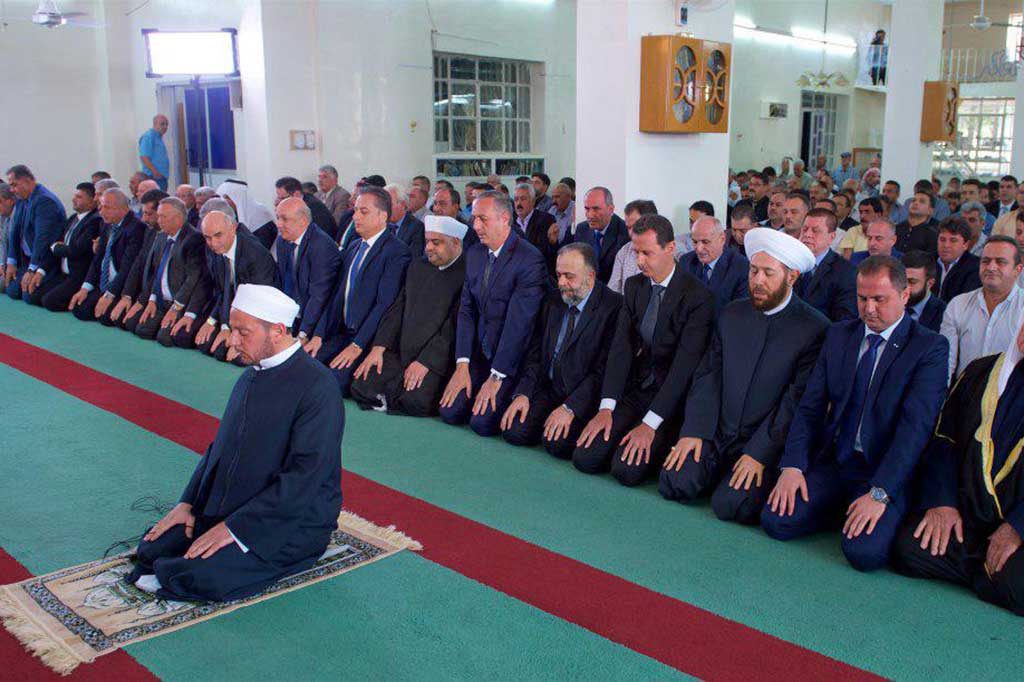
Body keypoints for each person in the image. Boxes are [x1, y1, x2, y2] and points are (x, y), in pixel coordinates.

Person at [126, 284, 343, 602]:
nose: (233, 341)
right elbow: (221, 448)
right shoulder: (250, 375)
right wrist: (188, 504)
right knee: (152, 549)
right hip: (239, 503)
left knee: (194, 576)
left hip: (293, 520)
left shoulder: (319, 388)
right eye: (233, 330)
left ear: (277, 331)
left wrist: (236, 529)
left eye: (244, 333)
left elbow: (304, 478)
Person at [762, 256, 949, 570]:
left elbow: (914, 431)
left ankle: (870, 512)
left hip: (885, 469)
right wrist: (793, 466)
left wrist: (881, 493)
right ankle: (841, 509)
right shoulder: (839, 334)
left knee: (864, 554)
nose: (869, 309)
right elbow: (810, 407)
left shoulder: (929, 348)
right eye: (862, 299)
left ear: (904, 295)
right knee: (776, 520)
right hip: (839, 459)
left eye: (879, 299)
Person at [659, 228, 829, 523]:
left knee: (731, 506)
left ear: (791, 277)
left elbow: (794, 402)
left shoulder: (814, 328)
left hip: (762, 441)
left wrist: (760, 453)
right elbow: (708, 376)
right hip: (717, 432)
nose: (758, 281)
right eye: (753, 271)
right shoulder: (732, 313)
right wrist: (695, 431)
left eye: (768, 273)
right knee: (675, 482)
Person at [892, 317, 1024, 615]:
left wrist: (1017, 528)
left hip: (1016, 527)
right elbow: (944, 441)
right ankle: (987, 569)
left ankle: (986, 566)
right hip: (966, 517)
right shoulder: (981, 372)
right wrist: (943, 503)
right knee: (907, 548)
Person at [572, 214, 715, 486]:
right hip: (637, 389)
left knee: (626, 471)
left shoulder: (698, 297)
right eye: (636, 252)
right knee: (586, 457)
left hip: (671, 399)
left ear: (670, 248)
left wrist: (650, 424)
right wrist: (606, 408)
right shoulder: (634, 286)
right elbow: (621, 349)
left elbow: (683, 369)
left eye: (647, 253)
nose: (639, 261)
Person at [439, 190, 547, 436]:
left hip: (512, 360)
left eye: (483, 219)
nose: (475, 226)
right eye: (474, 218)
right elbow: (466, 310)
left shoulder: (529, 259)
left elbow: (519, 326)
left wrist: (497, 376)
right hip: (480, 355)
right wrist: (462, 364)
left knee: (482, 423)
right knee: (450, 412)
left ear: (505, 219)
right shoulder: (475, 253)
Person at [501, 243, 622, 458]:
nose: (562, 283)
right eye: (558, 275)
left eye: (569, 276)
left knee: (556, 444)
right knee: (514, 431)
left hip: (582, 396)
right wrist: (524, 392)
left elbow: (603, 371)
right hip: (549, 388)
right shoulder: (553, 299)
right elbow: (536, 352)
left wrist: (571, 407)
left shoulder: (613, 307)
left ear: (590, 276)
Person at [350, 215, 467, 416]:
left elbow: (454, 327)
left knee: (415, 401)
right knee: (361, 385)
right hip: (401, 349)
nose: (428, 248)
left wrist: (426, 361)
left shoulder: (467, 273)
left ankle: (390, 397)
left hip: (435, 356)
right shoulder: (418, 266)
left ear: (455, 242)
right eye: (427, 241)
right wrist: (379, 347)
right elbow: (397, 309)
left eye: (436, 243)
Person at [308, 186, 411, 397]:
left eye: (363, 212)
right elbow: (337, 296)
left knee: (332, 383)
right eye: (355, 210)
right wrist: (318, 334)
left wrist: (357, 345)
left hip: (367, 339)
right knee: (305, 367)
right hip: (341, 333)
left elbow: (384, 305)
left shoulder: (396, 252)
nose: (355, 216)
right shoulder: (354, 246)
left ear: (383, 216)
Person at [194, 210, 277, 363]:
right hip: (234, 310)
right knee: (204, 344)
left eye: (218, 235)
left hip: (259, 316)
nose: (213, 243)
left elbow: (258, 301)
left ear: (233, 228)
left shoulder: (255, 255)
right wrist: (213, 322)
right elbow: (222, 290)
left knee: (231, 356)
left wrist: (236, 334)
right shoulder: (213, 248)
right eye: (207, 237)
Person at [128, 197, 210, 347]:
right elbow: (157, 271)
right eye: (158, 216)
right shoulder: (161, 236)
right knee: (136, 326)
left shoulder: (194, 239)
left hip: (180, 303)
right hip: (161, 300)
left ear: (178, 218)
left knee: (165, 338)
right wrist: (152, 299)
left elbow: (193, 279)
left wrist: (176, 307)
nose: (158, 220)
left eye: (163, 217)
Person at [941, 237, 1024, 381]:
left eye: (1000, 262)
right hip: (964, 392)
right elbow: (946, 364)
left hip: (1010, 393)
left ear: (1018, 269)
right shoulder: (958, 305)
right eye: (985, 261)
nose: (991, 267)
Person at [69, 189, 147, 323]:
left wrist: (110, 294)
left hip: (123, 286)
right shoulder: (106, 224)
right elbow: (98, 259)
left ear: (123, 209)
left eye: (107, 208)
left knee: (106, 317)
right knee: (80, 308)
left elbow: (127, 268)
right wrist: (85, 288)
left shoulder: (136, 228)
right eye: (101, 207)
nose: (102, 212)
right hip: (105, 282)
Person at [273, 197, 341, 343]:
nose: (279, 224)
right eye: (277, 218)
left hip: (317, 324)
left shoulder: (321, 245)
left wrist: (304, 333)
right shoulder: (282, 241)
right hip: (291, 316)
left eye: (284, 219)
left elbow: (319, 295)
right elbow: (282, 282)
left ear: (303, 221)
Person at [32, 183, 103, 311]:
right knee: (34, 296)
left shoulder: (94, 221)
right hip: (62, 274)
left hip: (77, 277)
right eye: (75, 196)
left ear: (92, 201)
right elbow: (55, 242)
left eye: (79, 197)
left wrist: (56, 248)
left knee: (50, 302)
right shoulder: (73, 219)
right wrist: (41, 271)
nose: (73, 199)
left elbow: (76, 250)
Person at [4, 165, 65, 301]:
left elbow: (42, 239)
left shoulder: (45, 201)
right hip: (28, 259)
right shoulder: (22, 199)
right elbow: (15, 230)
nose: (12, 190)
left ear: (27, 181)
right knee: (12, 289)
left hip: (46, 261)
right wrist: (11, 261)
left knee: (29, 295)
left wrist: (33, 269)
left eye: (14, 185)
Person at [110, 189, 167, 330]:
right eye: (143, 213)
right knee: (116, 318)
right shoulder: (150, 231)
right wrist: (127, 296)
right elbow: (138, 264)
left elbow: (158, 274)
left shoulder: (169, 237)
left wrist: (141, 301)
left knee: (137, 326)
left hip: (160, 296)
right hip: (144, 290)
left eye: (149, 214)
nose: (144, 219)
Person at [795, 207, 857, 321]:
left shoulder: (846, 272)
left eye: (815, 231)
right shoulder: (790, 262)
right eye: (805, 229)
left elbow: (844, 320)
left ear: (831, 237)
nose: (807, 234)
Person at [679, 216, 749, 310]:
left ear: (722, 239)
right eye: (695, 242)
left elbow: (739, 312)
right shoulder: (686, 261)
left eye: (705, 242)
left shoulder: (741, 267)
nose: (699, 249)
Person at [565, 187, 630, 284]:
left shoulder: (625, 232)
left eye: (596, 209)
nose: (590, 215)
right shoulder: (582, 228)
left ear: (611, 209)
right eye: (587, 209)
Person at [607, 199, 658, 294]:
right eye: (628, 227)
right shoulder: (624, 251)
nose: (631, 233)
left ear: (652, 222)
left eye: (636, 226)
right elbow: (612, 291)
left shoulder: (668, 251)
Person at [275, 176, 339, 243]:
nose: (277, 201)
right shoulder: (302, 199)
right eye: (278, 197)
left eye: (282, 198)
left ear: (296, 194)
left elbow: (313, 236)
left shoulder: (313, 207)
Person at [217, 179, 277, 250]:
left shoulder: (260, 214)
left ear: (239, 198)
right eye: (221, 197)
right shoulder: (231, 216)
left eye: (227, 197)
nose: (223, 201)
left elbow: (261, 249)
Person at [934, 216, 981, 302]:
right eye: (942, 239)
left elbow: (964, 302)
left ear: (965, 245)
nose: (946, 245)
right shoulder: (927, 261)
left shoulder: (975, 267)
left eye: (953, 240)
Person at [512, 182, 558, 271]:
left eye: (523, 199)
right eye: (516, 199)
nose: (518, 203)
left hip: (537, 269)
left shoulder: (546, 220)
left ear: (533, 201)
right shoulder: (510, 221)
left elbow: (542, 251)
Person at [902, 250, 946, 332]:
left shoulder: (943, 314)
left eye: (912, 282)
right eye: (902, 280)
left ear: (930, 283)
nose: (905, 287)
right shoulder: (890, 304)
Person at [386, 183, 426, 259]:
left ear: (403, 204)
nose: (385, 209)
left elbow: (413, 258)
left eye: (389, 204)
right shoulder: (381, 224)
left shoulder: (417, 228)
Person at [138, 114, 170, 191]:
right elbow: (144, 157)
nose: (165, 127)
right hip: (153, 177)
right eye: (162, 124)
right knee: (157, 197)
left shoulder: (158, 137)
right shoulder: (148, 137)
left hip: (160, 177)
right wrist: (155, 172)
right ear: (155, 124)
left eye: (166, 124)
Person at [0, 183, 15, 290]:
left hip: (16, 265)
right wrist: (1, 263)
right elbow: (2, 242)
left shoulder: (17, 218)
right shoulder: (4, 216)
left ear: (10, 201)